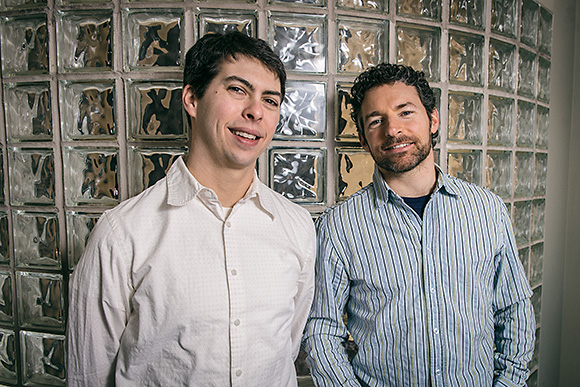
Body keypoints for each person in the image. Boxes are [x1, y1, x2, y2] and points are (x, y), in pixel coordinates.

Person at [67, 31, 316, 386]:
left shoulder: (297, 225)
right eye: (237, 90)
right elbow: (88, 375)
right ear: (192, 99)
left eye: (271, 100)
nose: (256, 111)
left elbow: (287, 349)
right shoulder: (123, 233)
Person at [303, 63, 535, 386]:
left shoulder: (487, 210)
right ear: (362, 136)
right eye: (376, 121)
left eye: (405, 113)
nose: (393, 130)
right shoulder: (339, 226)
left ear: (433, 119)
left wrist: (509, 383)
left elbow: (514, 308)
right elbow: (322, 330)